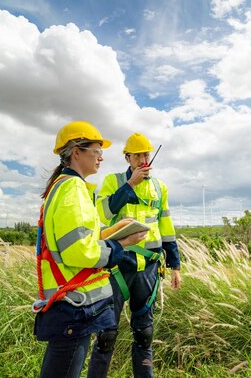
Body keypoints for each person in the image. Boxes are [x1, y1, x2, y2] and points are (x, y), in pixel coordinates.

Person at [33, 121, 146, 378]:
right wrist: (121, 245)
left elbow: (81, 239)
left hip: (71, 302)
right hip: (73, 304)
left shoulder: (69, 187)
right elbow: (79, 252)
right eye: (96, 150)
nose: (102, 157)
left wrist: (113, 230)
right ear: (77, 152)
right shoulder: (72, 188)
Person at [88, 133, 181, 378]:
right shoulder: (112, 181)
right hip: (118, 267)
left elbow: (167, 227)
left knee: (144, 333)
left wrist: (175, 265)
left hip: (148, 270)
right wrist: (129, 187)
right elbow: (102, 215)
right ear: (127, 158)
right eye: (137, 155)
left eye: (146, 154)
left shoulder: (160, 188)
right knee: (106, 335)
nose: (143, 159)